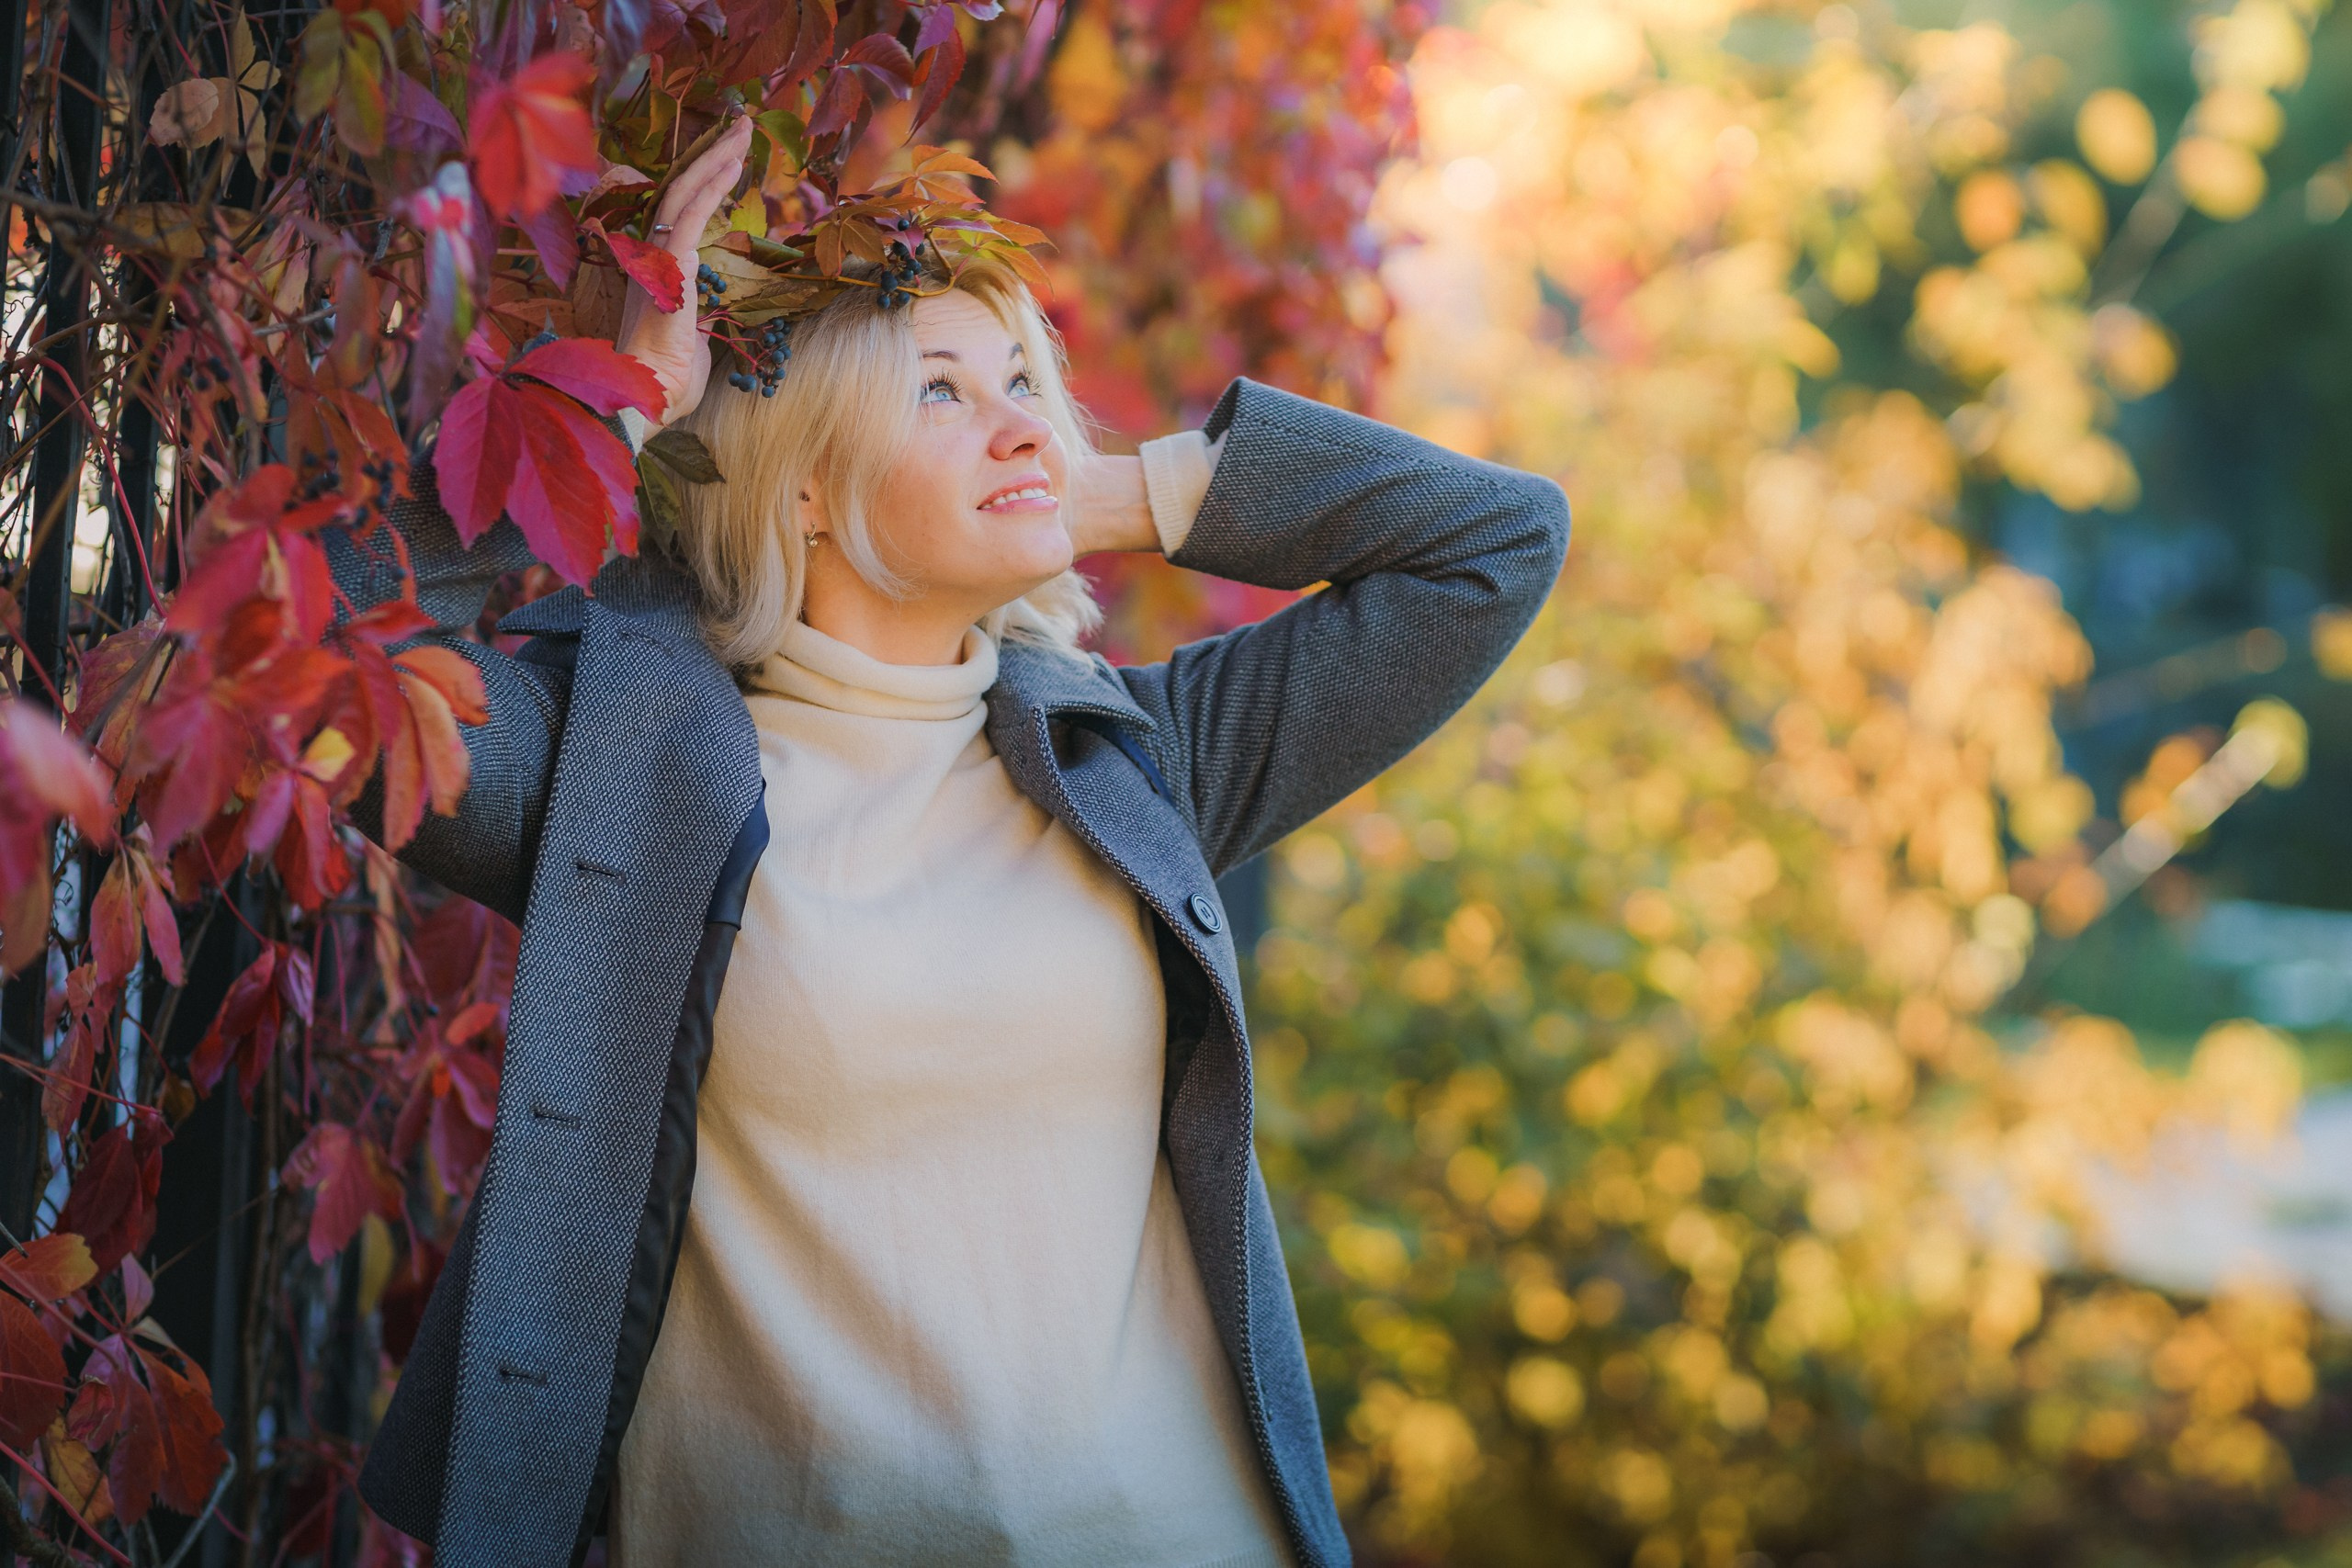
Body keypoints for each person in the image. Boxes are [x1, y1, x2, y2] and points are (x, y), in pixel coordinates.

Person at [341, 118, 1569, 1568]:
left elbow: (1497, 545)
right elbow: (327, 665)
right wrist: (612, 411)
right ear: (802, 488)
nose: (1016, 424)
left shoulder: (1134, 765)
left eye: (1023, 384)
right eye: (941, 390)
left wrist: (1105, 490)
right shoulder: (623, 780)